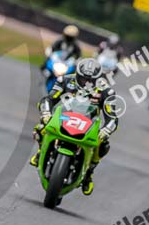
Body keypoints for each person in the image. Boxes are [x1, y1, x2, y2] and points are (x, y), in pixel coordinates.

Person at [30, 58, 119, 196]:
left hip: (88, 124)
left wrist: (106, 130)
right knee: (40, 128)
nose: (86, 83)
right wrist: (46, 113)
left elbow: (112, 117)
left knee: (103, 145)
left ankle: (89, 173)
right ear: (77, 75)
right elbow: (49, 99)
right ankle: (40, 151)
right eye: (83, 79)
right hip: (64, 117)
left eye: (90, 80)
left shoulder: (106, 92)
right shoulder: (64, 81)